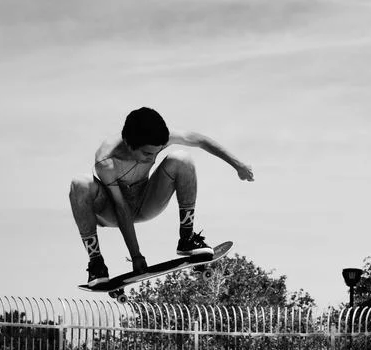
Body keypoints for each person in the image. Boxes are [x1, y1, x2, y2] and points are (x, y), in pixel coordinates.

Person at [67, 107, 254, 284]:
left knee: (182, 158)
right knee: (80, 183)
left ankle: (187, 238)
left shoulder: (159, 137)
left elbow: (200, 141)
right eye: (147, 153)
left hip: (146, 202)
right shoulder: (106, 160)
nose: (151, 158)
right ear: (128, 144)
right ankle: (96, 263)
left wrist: (238, 165)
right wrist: (136, 255)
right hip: (113, 213)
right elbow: (121, 207)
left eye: (156, 152)